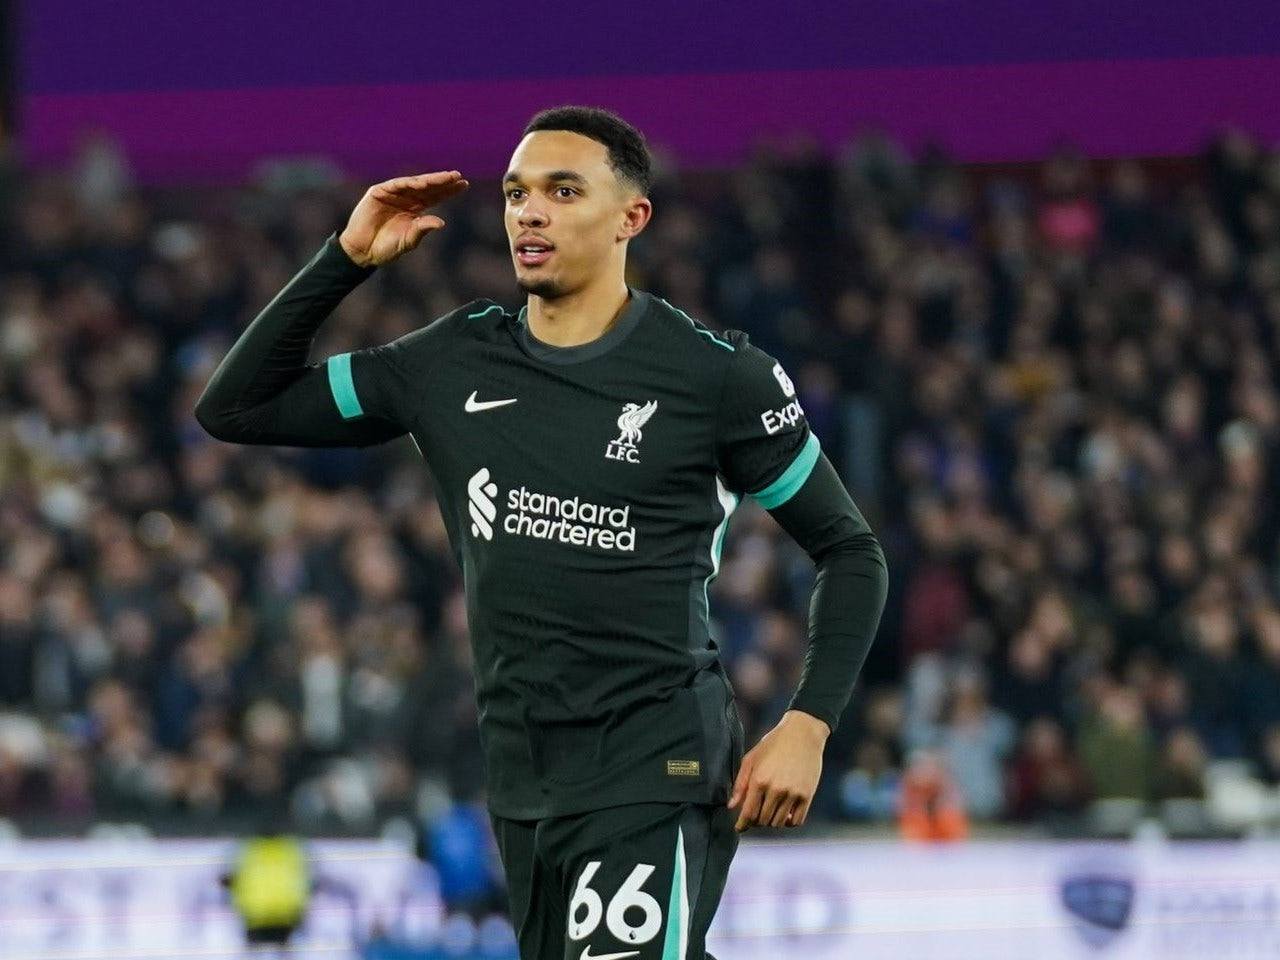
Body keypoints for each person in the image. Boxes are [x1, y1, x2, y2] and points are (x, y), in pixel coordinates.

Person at [195, 105, 888, 960]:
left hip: (654, 762)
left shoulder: (718, 379)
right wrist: (343, 260)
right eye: (518, 192)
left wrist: (809, 724)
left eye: (564, 191)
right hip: (524, 779)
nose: (530, 211)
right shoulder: (451, 363)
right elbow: (235, 407)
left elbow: (851, 551)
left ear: (632, 217)